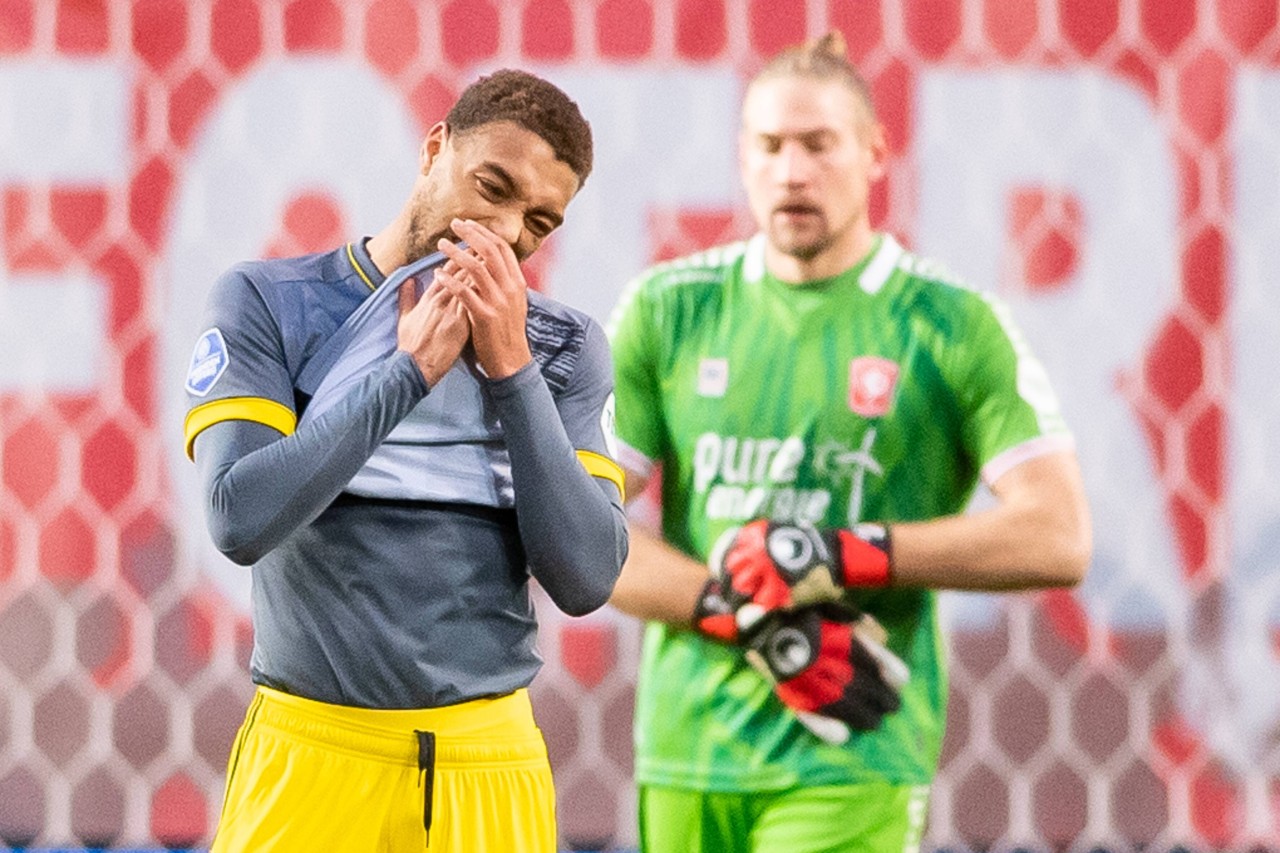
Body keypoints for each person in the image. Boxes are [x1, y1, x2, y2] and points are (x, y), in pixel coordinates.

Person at [605, 32, 1092, 853]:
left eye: (818, 145)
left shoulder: (950, 325)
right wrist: (752, 620)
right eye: (769, 146)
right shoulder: (668, 310)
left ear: (874, 153)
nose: (791, 171)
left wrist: (839, 550)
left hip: (852, 750)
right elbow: (581, 533)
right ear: (741, 157)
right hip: (689, 748)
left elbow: (1058, 534)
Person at [181, 69, 628, 852]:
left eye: (540, 222)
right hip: (313, 751)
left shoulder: (564, 349)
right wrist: (407, 374)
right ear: (434, 151)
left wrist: (514, 373)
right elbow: (238, 517)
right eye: (492, 185)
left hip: (488, 762)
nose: (508, 231)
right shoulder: (272, 301)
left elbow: (588, 577)